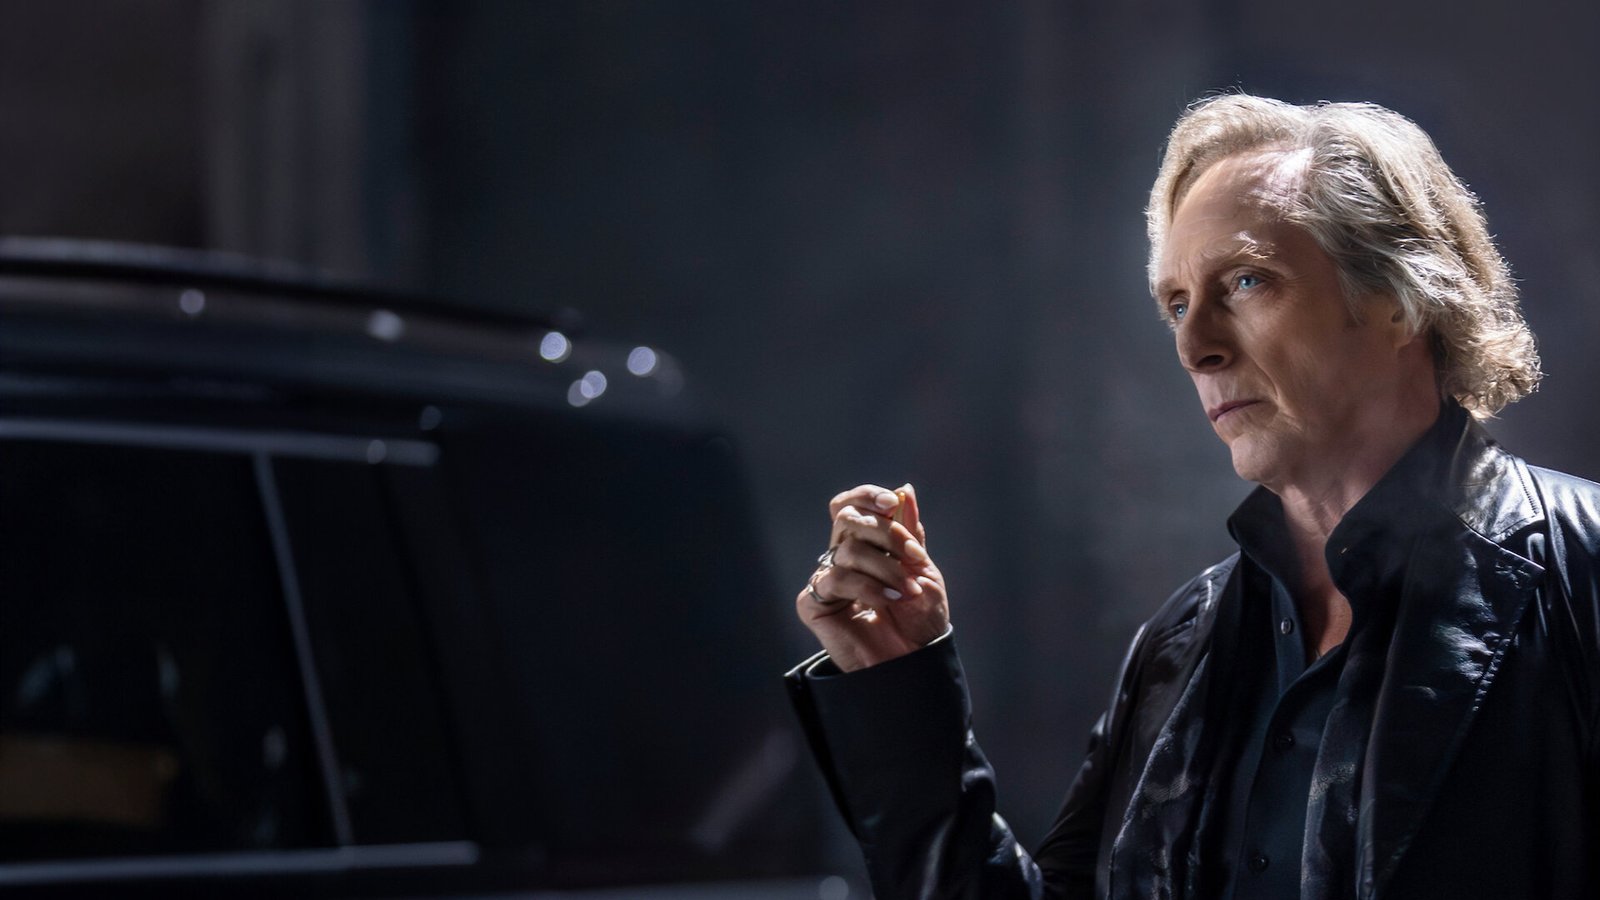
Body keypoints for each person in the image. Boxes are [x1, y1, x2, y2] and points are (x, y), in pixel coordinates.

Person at [785, 94, 1600, 900]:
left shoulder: (1584, 573)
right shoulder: (1183, 641)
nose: (1193, 346)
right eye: (1177, 304)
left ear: (1402, 299)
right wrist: (903, 695)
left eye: (1246, 281)